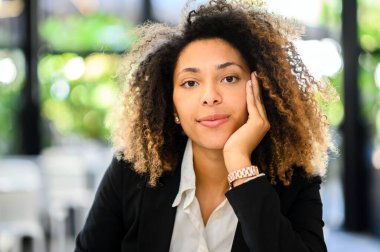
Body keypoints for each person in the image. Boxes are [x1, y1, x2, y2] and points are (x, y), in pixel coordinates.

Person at [75, 0, 335, 251]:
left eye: (229, 78)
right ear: (172, 105)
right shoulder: (132, 172)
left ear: (261, 89)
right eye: (190, 82)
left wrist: (240, 164)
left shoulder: (294, 181)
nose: (210, 96)